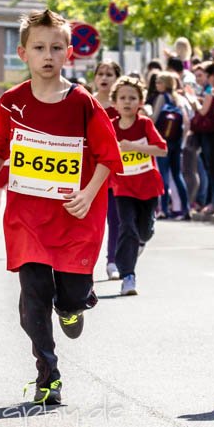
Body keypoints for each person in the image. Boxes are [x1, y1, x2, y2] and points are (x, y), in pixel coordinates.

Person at [0, 8, 122, 406]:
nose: (48, 55)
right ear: (23, 53)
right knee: (32, 297)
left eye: (56, 47)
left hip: (75, 216)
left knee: (70, 295)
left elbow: (109, 157)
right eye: (39, 48)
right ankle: (47, 373)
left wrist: (88, 195)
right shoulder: (10, 103)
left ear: (69, 53)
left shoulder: (83, 102)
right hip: (28, 219)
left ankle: (74, 305)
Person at [109, 76, 167, 295]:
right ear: (114, 103)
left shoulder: (144, 124)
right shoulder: (111, 127)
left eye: (132, 98)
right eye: (122, 98)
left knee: (143, 231)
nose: (127, 102)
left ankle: (143, 238)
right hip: (123, 187)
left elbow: (162, 149)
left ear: (141, 101)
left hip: (148, 186)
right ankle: (128, 276)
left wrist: (133, 147)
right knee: (127, 227)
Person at [92, 60, 122, 279]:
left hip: (117, 174)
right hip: (92, 173)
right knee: (92, 223)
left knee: (116, 219)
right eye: (101, 73)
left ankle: (112, 261)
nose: (104, 78)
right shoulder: (88, 103)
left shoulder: (122, 106)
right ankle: (86, 264)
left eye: (109, 74)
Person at [152, 71, 191, 219]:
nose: (157, 85)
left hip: (164, 140)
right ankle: (186, 208)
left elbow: (155, 118)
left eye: (159, 82)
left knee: (163, 175)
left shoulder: (162, 97)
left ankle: (164, 209)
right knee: (177, 174)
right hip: (177, 140)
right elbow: (186, 122)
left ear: (165, 84)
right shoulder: (178, 98)